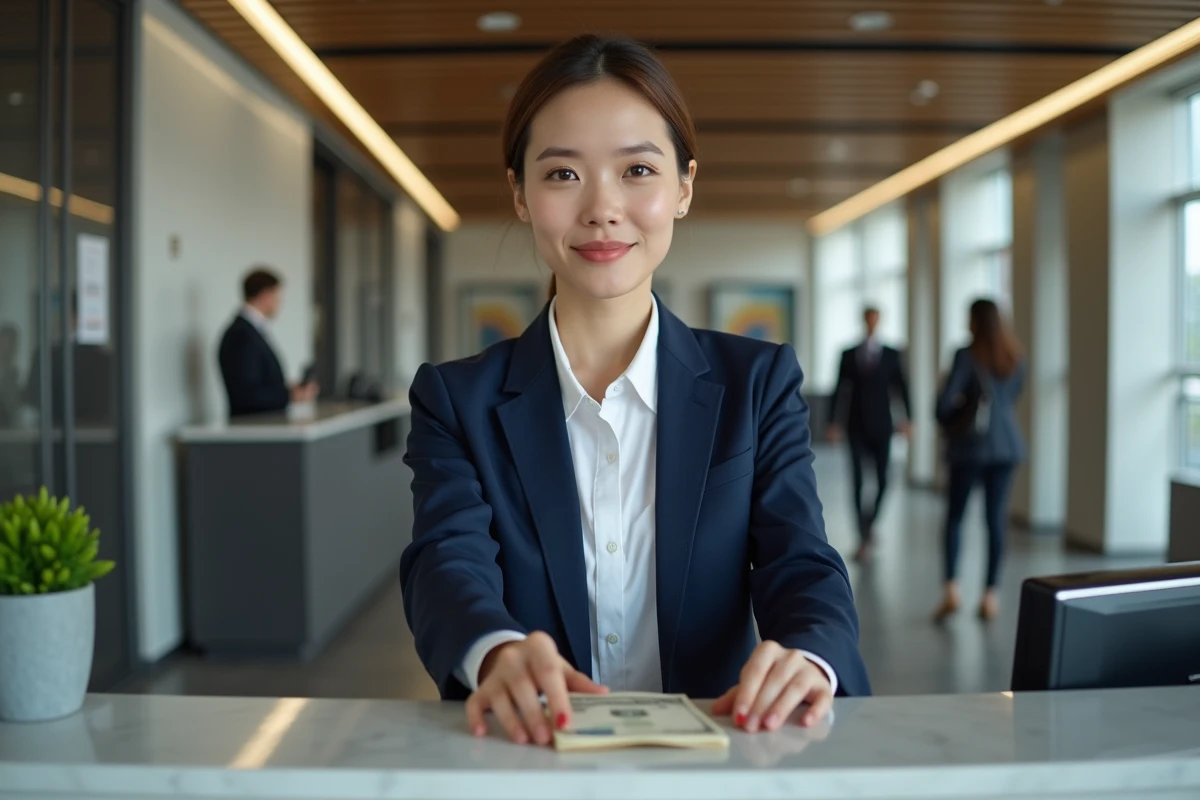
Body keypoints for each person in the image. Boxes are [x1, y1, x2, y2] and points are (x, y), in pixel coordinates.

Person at [399, 34, 868, 749]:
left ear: (682, 188)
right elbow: (445, 562)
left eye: (638, 170)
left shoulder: (757, 384)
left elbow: (799, 560)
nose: (603, 209)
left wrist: (808, 656)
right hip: (529, 756)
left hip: (717, 756)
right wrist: (494, 650)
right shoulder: (455, 400)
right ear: (519, 193)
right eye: (562, 176)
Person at [933, 299, 1026, 623]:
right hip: (1006, 448)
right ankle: (990, 595)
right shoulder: (1014, 356)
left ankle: (952, 590)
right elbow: (1013, 398)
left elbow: (942, 407)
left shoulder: (965, 355)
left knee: (955, 517)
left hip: (969, 449)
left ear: (974, 321)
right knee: (995, 520)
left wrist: (952, 398)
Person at [827, 307, 912, 561]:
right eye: (868, 318)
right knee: (857, 481)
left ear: (879, 321)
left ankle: (869, 521)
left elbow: (903, 388)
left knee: (884, 479)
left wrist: (908, 419)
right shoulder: (849, 354)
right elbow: (838, 389)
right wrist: (833, 422)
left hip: (883, 426)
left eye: (875, 318)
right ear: (863, 320)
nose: (871, 323)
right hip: (855, 425)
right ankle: (862, 536)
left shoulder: (892, 354)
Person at [218, 267, 317, 417]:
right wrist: (289, 396)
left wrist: (288, 391)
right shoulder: (241, 335)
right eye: (277, 296)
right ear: (265, 295)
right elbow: (246, 395)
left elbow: (258, 382)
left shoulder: (252, 331)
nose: (280, 303)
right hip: (252, 429)